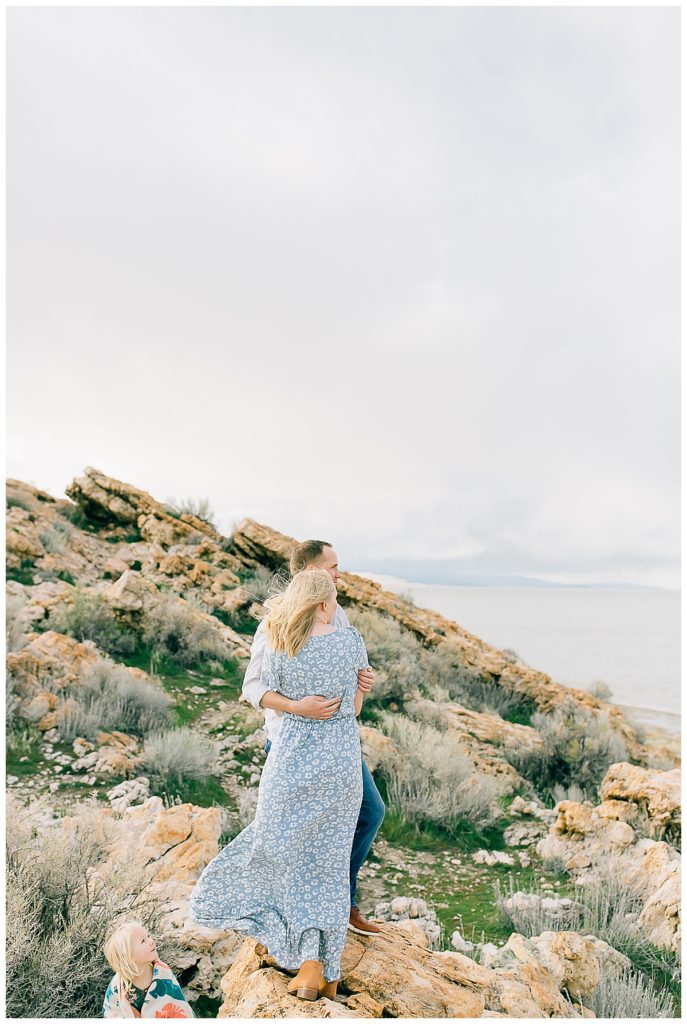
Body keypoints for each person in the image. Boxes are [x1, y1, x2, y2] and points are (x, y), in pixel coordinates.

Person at [190, 569, 370, 1001]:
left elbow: (260, 693)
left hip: (291, 761)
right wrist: (360, 688)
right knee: (327, 864)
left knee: (279, 851)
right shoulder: (350, 642)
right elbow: (355, 708)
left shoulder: (278, 636)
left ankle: (308, 963)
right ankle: (323, 969)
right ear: (327, 604)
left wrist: (297, 708)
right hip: (339, 764)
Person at [242, 539, 385, 935]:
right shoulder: (273, 623)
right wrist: (298, 707)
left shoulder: (339, 617)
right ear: (309, 573)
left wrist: (362, 682)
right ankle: (288, 919)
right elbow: (253, 688)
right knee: (295, 835)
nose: (339, 574)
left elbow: (349, 677)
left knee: (369, 813)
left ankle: (343, 903)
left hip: (338, 744)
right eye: (332, 567)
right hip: (291, 741)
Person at [102, 920, 194, 1018]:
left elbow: (179, 1005)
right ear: (128, 957)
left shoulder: (163, 972)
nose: (151, 941)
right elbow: (112, 1013)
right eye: (143, 941)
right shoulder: (118, 987)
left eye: (148, 936)